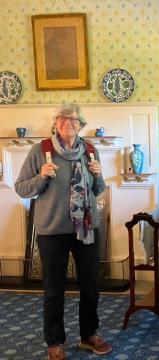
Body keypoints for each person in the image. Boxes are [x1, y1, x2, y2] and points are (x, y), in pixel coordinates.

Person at [15, 103, 112, 360]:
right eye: (62, 118)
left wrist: (99, 176)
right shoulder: (41, 151)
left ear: (81, 124)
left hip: (87, 229)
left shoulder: (90, 151)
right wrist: (41, 177)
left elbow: (97, 189)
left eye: (73, 119)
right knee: (54, 289)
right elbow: (22, 188)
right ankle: (55, 342)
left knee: (91, 285)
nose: (68, 123)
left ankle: (88, 334)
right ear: (55, 123)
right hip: (52, 231)